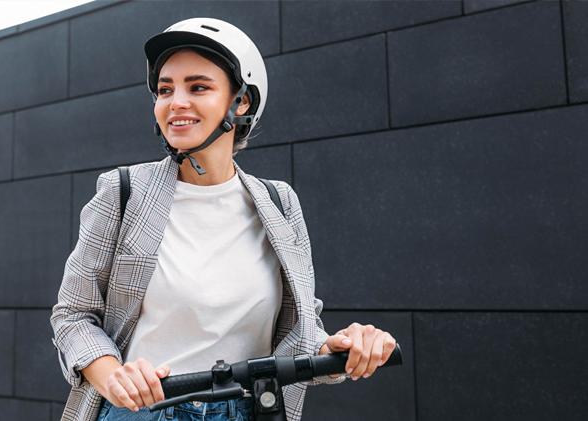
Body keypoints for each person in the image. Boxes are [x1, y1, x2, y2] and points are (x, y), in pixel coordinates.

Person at [50, 17, 397, 421]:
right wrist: (114, 376)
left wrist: (342, 347)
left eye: (198, 87)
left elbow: (300, 332)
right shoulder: (123, 192)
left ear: (241, 101)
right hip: (146, 411)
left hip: (252, 410)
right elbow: (73, 316)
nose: (175, 101)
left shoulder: (279, 203)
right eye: (165, 89)